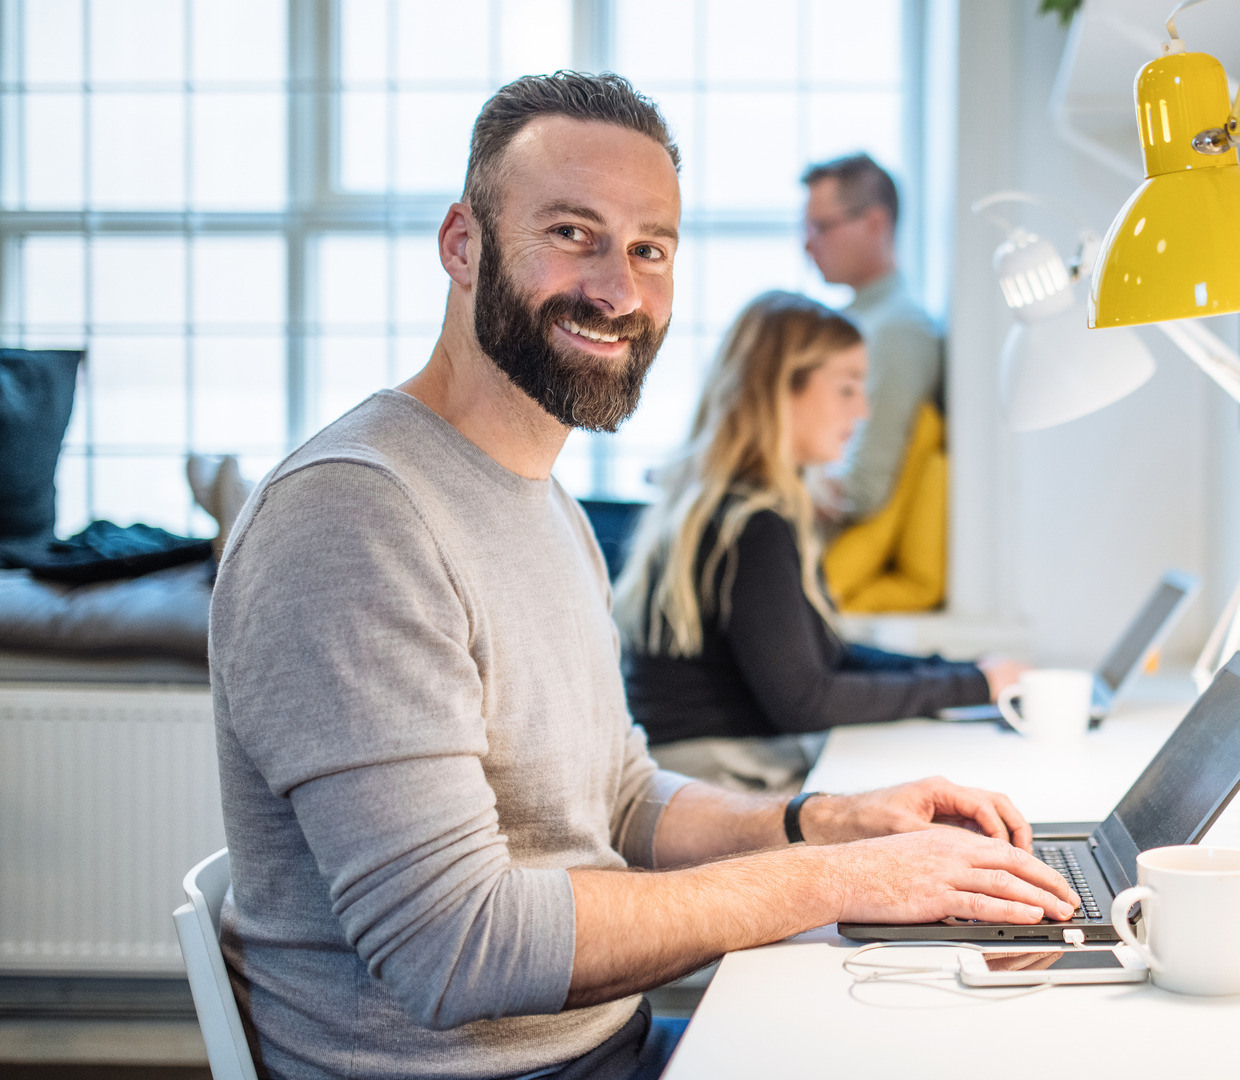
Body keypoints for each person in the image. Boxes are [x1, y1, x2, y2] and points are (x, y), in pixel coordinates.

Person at [209, 72, 1075, 1080]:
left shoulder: (548, 506)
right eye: (571, 233)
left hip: (601, 1049)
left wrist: (829, 822)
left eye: (648, 250)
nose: (617, 291)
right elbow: (454, 948)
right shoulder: (353, 519)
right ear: (463, 244)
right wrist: (841, 879)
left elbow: (620, 802)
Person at [614, 291, 1026, 794]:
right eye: (847, 388)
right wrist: (973, 685)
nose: (863, 410)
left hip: (706, 771)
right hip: (718, 782)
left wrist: (968, 675)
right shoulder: (751, 524)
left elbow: (826, 655)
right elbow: (805, 699)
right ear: (781, 390)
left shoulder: (730, 505)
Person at [800, 153, 941, 526]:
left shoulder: (896, 331)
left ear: (875, 223)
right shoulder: (859, 321)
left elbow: (860, 488)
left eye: (820, 227)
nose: (807, 245)